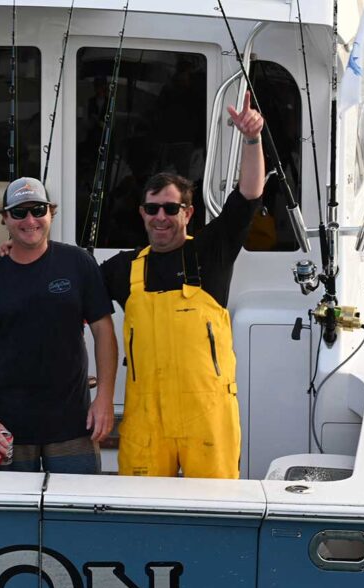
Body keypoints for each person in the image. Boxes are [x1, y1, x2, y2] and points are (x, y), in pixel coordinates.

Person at [100, 92, 266, 479]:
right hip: (145, 419)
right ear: (142, 212)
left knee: (214, 511)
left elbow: (249, 196)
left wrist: (252, 140)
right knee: (139, 512)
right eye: (152, 208)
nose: (161, 217)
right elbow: (70, 287)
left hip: (207, 417)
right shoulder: (122, 268)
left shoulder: (213, 251)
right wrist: (21, 247)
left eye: (171, 209)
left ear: (188, 213)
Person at [0, 177, 117, 473]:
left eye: (38, 210)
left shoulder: (79, 263)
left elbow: (103, 330)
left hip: (74, 424)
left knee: (76, 512)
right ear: (5, 218)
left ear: (51, 213)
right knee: (9, 517)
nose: (30, 220)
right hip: (6, 430)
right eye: (19, 212)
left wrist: (105, 398)